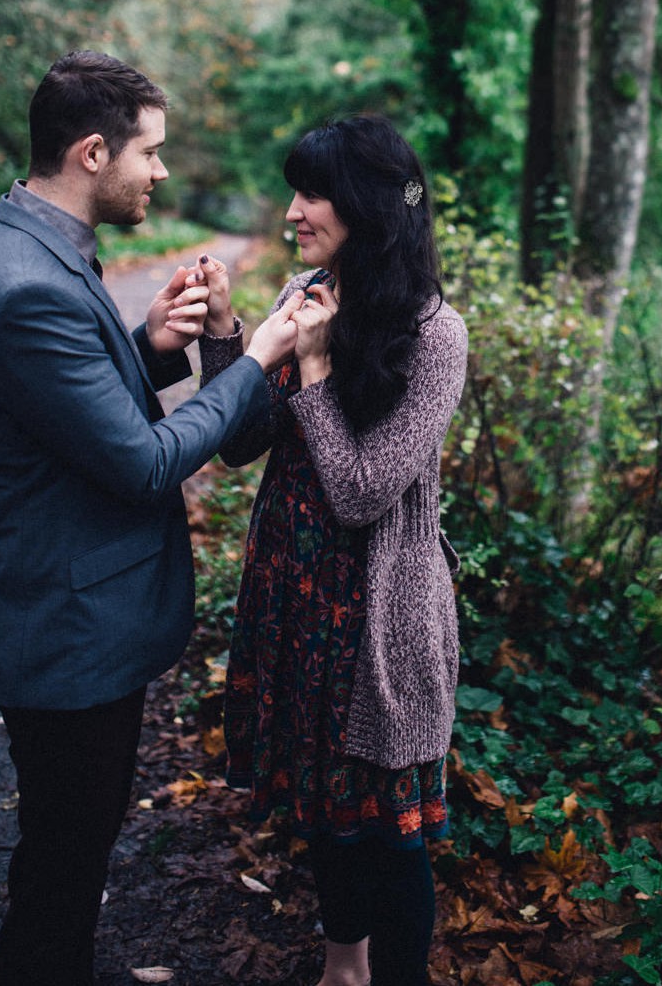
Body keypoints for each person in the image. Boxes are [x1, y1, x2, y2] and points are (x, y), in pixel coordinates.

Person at [0, 50, 305, 986]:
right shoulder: (28, 283)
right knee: (61, 876)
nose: (162, 172)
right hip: (66, 636)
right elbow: (141, 463)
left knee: (67, 859)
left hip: (64, 623)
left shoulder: (33, 245)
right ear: (94, 151)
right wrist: (259, 354)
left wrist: (146, 347)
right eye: (151, 152)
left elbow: (66, 414)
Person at [194, 114, 468, 986]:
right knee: (327, 809)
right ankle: (340, 968)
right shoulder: (308, 292)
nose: (291, 212)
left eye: (311, 193)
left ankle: (394, 976)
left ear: (366, 206)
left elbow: (360, 492)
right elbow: (240, 444)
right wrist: (230, 336)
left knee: (391, 832)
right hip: (298, 596)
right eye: (294, 190)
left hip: (376, 616)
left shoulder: (433, 336)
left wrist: (312, 371)